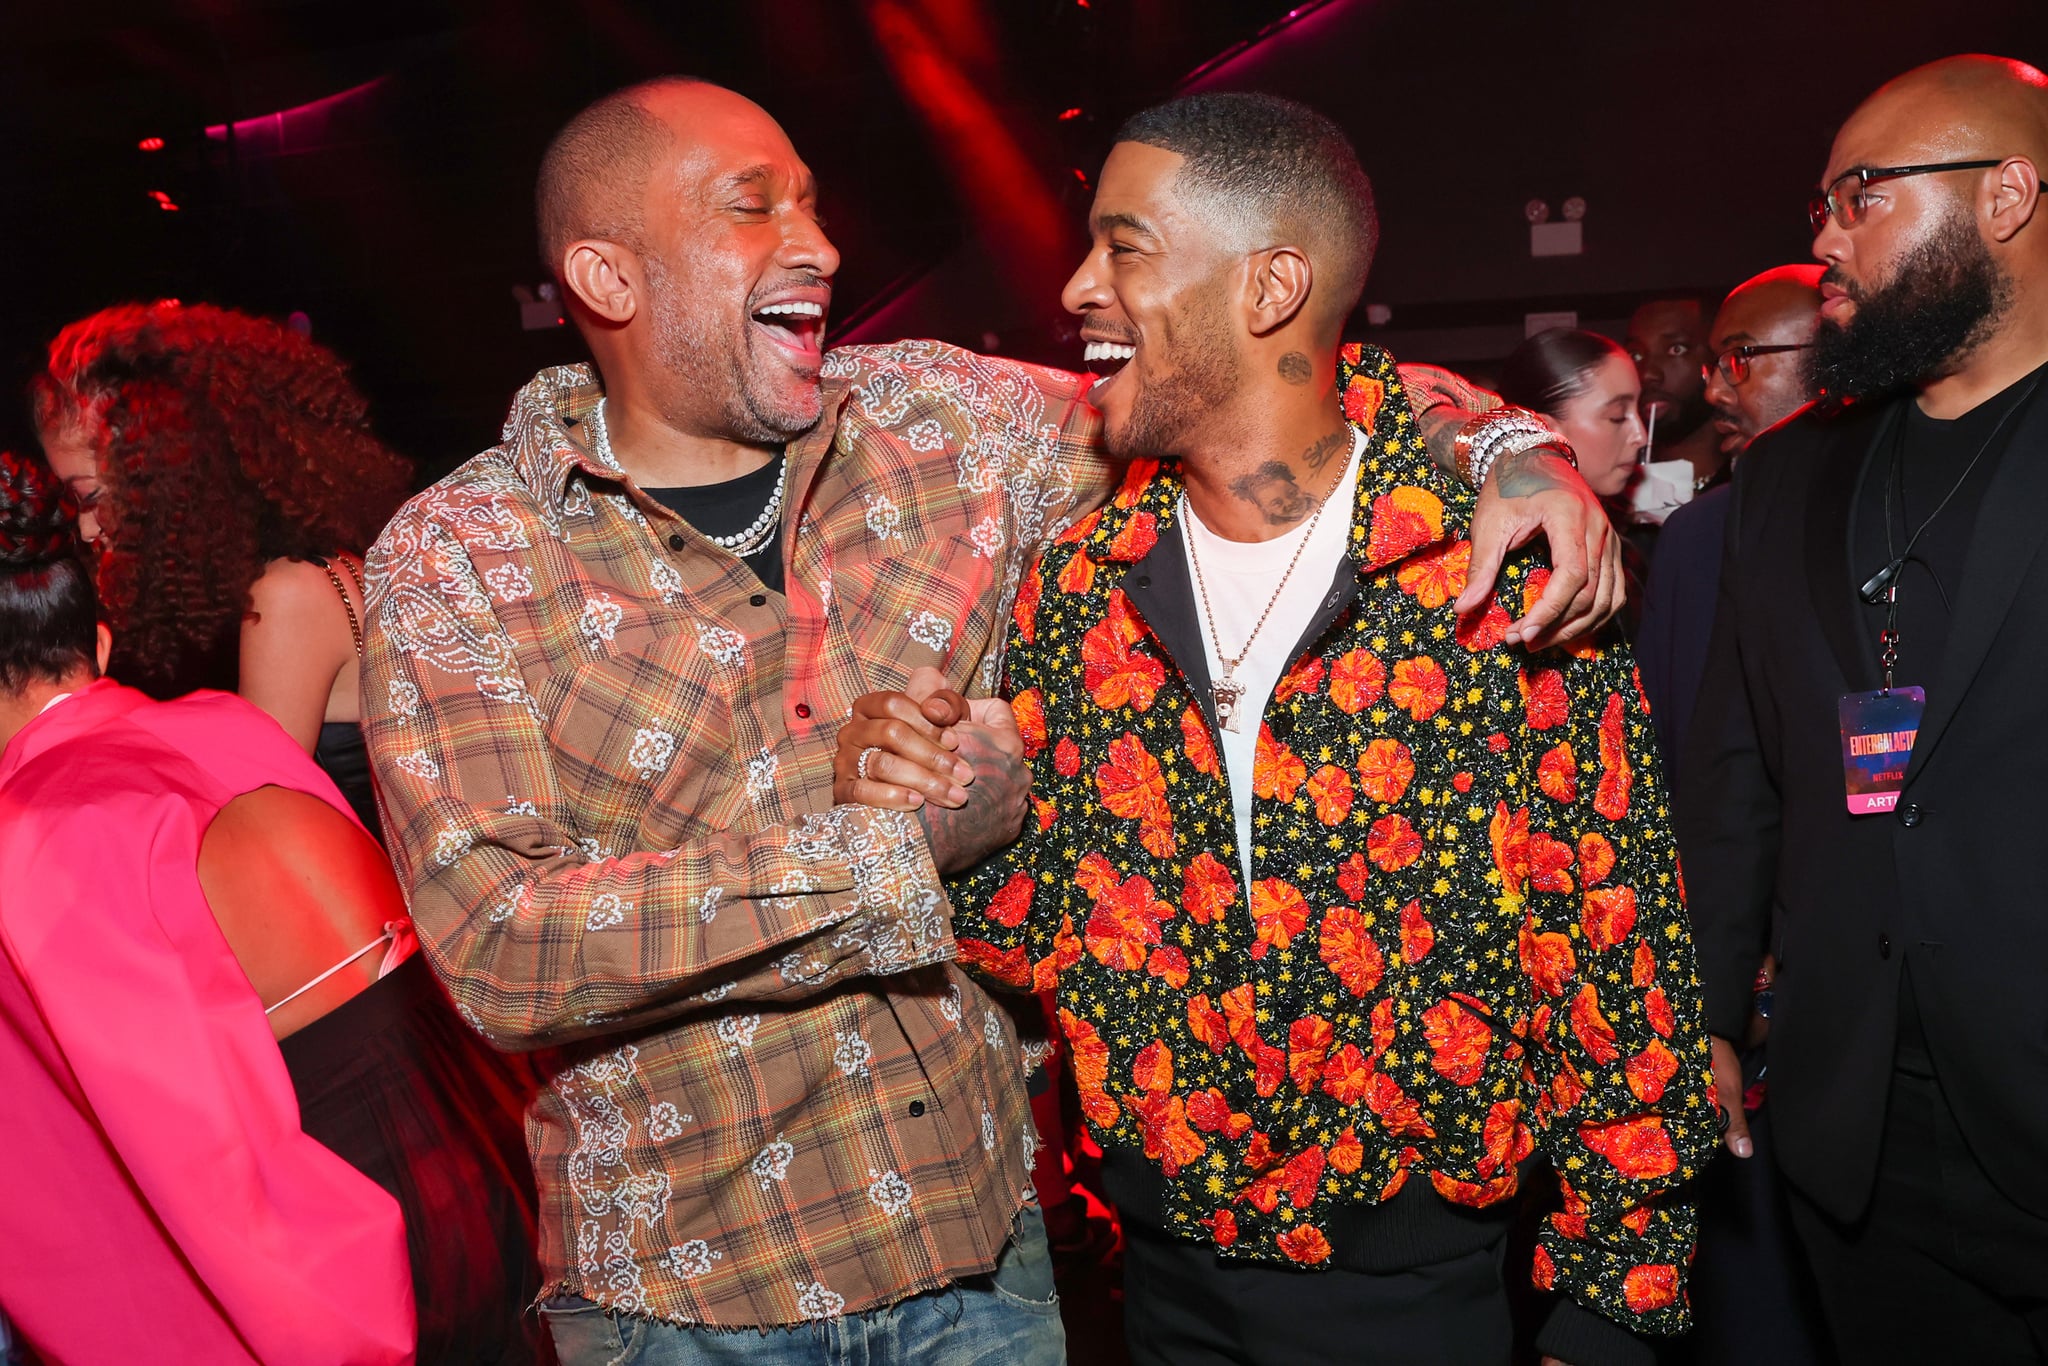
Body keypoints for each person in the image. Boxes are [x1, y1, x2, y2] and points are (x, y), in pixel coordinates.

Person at [358, 77, 1622, 1366]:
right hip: (687, 1305)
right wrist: (900, 857)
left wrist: (1510, 445)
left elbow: (1255, 377)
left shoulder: (938, 424)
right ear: (606, 276)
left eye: (811, 200)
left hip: (981, 1262)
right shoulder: (463, 555)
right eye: (755, 207)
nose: (820, 245)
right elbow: (499, 943)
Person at [839, 92, 1717, 1366]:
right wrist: (956, 823)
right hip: (1166, 1285)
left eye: (1122, 246)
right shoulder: (1082, 581)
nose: (1078, 285)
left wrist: (1612, 1301)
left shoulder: (1485, 567)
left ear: (1269, 286)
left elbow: (1617, 940)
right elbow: (1066, 937)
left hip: (1427, 1292)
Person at [1679, 54, 2048, 1364]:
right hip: (1860, 1140)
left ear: (2008, 194)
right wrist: (1710, 1016)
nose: (1824, 238)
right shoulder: (1787, 481)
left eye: (1861, 196)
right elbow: (1734, 783)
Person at [0, 447, 415, 1365]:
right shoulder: (221, 725)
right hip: (462, 1162)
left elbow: (196, 1167)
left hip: (332, 1258)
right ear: (94, 634)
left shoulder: (45, 829)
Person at [33, 301, 414, 838]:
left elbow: (258, 827)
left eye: (90, 496)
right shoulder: (299, 573)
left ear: (164, 465)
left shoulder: (290, 592)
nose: (89, 530)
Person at [1638, 266, 1824, 778]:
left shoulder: (1900, 509)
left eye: (1740, 359)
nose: (1716, 393)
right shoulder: (1697, 535)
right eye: (1714, 366)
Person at [1624, 293, 1724, 529]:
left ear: (1717, 359)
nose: (1648, 374)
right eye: (1636, 355)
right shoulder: (1611, 495)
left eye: (1675, 349)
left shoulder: (1745, 489)